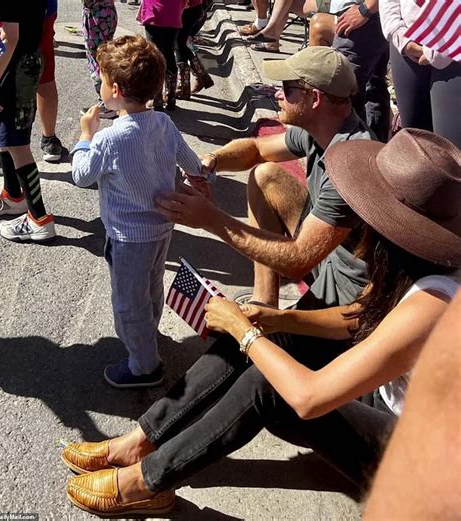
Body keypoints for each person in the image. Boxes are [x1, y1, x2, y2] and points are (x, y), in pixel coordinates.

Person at [62, 128, 460, 517]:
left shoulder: (433, 301)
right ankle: (144, 439)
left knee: (272, 382)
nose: (357, 213)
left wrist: (244, 330)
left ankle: (148, 483)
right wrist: (274, 318)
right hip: (395, 406)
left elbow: (309, 398)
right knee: (278, 336)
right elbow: (357, 321)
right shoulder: (413, 269)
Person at [159, 47, 373, 310]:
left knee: (238, 347)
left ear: (314, 98)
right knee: (265, 175)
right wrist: (212, 160)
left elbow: (298, 259)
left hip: (347, 289)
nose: (278, 94)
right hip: (324, 254)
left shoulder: (350, 164)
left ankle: (267, 319)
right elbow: (258, 149)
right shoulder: (325, 127)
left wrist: (210, 219)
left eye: (287, 88)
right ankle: (264, 301)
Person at [70, 35, 209, 388]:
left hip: (128, 237)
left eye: (100, 80)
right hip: (162, 228)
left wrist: (86, 136)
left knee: (128, 303)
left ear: (115, 89)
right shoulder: (163, 123)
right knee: (151, 285)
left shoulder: (108, 139)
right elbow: (194, 164)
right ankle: (149, 332)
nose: (99, 85)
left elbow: (82, 175)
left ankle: (145, 366)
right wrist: (204, 175)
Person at [364, 291, 461, 520]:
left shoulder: (433, 300)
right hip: (386, 396)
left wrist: (259, 334)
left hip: (416, 441)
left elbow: (309, 398)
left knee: (271, 388)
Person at [0, 0, 56, 241]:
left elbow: (9, 36)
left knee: (17, 144)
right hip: (22, 61)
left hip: (16, 67)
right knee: (4, 136)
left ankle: (39, 218)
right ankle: (13, 196)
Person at [379, 0, 461, 148]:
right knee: (417, 145)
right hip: (407, 41)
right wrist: (397, 32)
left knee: (451, 151)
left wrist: (440, 50)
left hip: (455, 48)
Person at [330, 0, 390, 142]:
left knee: (341, 93)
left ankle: (347, 157)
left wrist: (367, 8)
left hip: (365, 17)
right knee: (373, 89)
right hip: (372, 15)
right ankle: (372, 153)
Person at [137, 0, 185, 111]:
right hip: (174, 12)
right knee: (169, 53)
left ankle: (157, 98)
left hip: (154, 13)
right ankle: (171, 97)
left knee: (155, 55)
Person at [81, 0, 118, 119]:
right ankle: (110, 99)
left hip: (96, 14)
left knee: (96, 58)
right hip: (108, 11)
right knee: (106, 54)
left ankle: (106, 102)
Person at [247, 0, 330, 52]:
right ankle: (270, 34)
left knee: (285, 3)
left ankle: (270, 33)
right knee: (284, 3)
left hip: (333, 5)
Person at [38, 0, 64, 162]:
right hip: (42, 12)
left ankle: (0, 147)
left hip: (4, 14)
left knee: (1, 73)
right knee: (45, 75)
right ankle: (49, 139)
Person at [176, 0, 214, 99]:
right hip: (186, 8)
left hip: (187, 8)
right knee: (179, 44)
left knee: (178, 44)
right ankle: (201, 77)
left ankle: (184, 86)